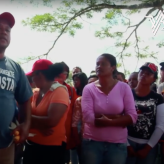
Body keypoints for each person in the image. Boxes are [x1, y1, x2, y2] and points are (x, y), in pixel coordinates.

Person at [81, 53, 137, 164]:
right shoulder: (88, 89)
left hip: (117, 145)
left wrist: (107, 121)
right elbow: (87, 116)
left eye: (103, 64)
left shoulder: (124, 88)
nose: (99, 66)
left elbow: (132, 117)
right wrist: (118, 118)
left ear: (113, 67)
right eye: (97, 64)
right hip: (92, 143)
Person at [23, 59, 70, 164]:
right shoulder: (35, 93)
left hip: (52, 149)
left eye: (33, 75)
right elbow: (20, 115)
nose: (32, 79)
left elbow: (51, 122)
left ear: (40, 75)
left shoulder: (59, 91)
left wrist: (28, 119)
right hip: (32, 145)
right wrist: (38, 125)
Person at [0, 12, 32, 164]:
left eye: (7, 30)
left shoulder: (15, 68)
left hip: (5, 146)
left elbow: (25, 99)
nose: (3, 32)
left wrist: (25, 124)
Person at [126, 62, 164, 164]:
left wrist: (148, 148)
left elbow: (161, 125)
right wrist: (127, 145)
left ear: (154, 79)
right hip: (127, 142)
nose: (144, 74)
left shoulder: (158, 98)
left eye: (148, 73)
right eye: (142, 72)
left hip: (149, 146)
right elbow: (120, 118)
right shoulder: (127, 94)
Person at [55, 62, 78, 164]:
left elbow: (75, 113)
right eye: (58, 72)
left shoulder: (71, 90)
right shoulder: (45, 87)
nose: (61, 75)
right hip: (48, 134)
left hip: (66, 135)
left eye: (64, 72)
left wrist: (74, 133)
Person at [71, 72, 88, 164]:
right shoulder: (74, 92)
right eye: (74, 80)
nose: (75, 82)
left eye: (77, 80)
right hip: (77, 127)